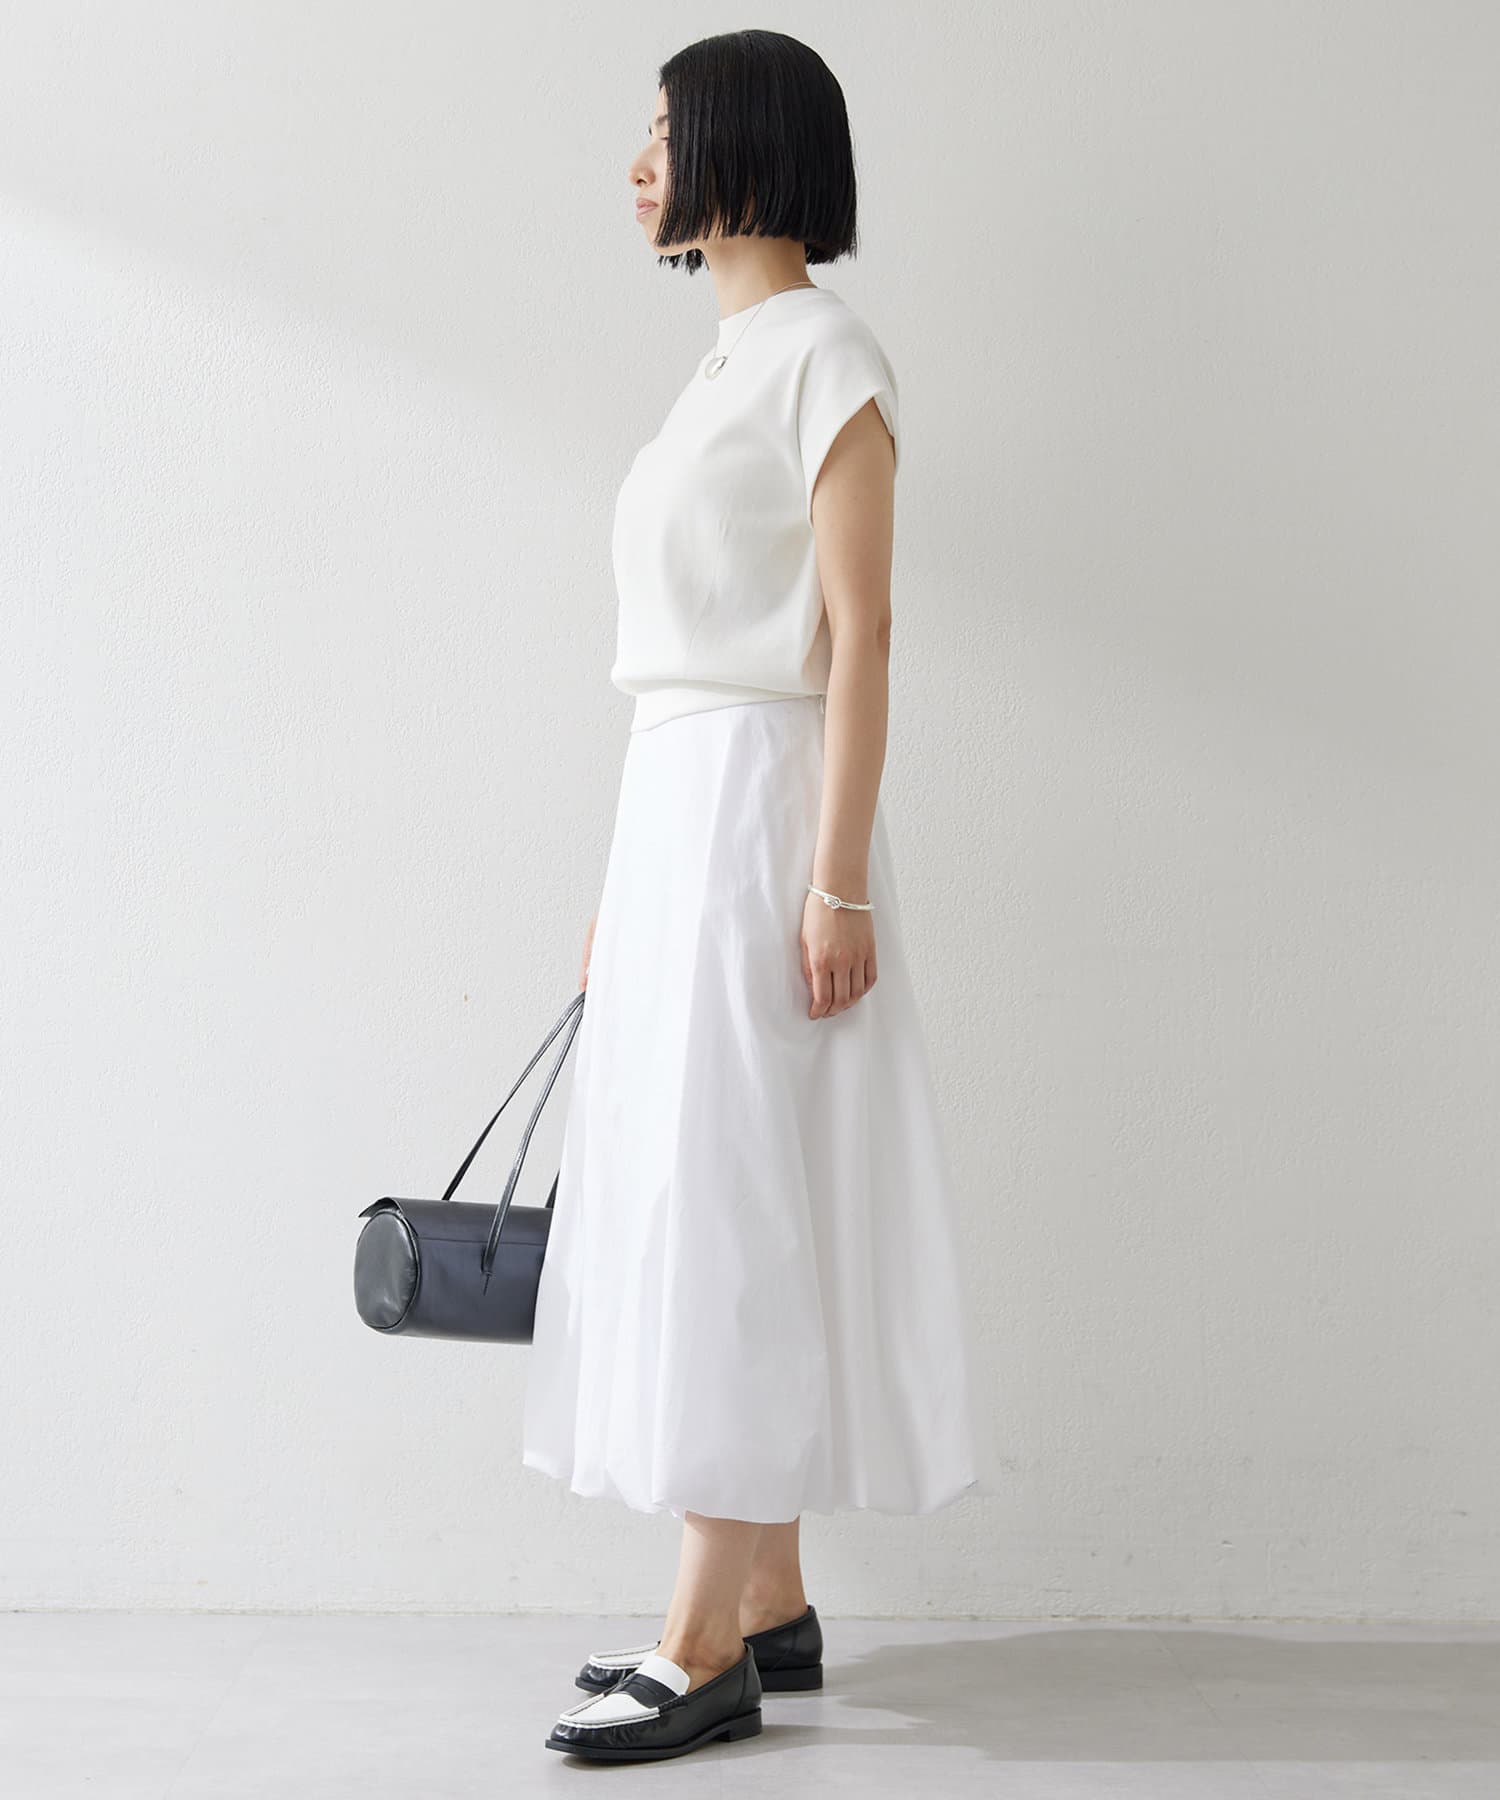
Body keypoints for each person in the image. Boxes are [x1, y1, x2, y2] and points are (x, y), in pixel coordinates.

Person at [521, 28, 983, 1763]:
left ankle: (702, 1637)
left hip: (760, 816)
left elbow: (861, 638)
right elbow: (676, 664)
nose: (640, 165)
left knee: (724, 1193)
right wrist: (620, 888)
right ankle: (772, 1600)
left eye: (667, 132)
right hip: (676, 816)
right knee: (698, 1179)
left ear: (748, 146)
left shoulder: (827, 359)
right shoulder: (717, 373)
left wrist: (836, 878)